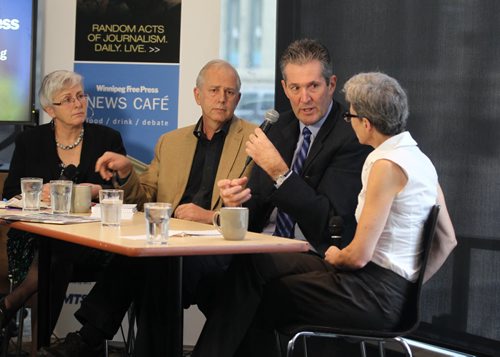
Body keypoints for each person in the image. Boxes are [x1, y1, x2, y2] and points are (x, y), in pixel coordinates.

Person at [192, 72, 457, 357]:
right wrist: (410, 292)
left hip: (370, 293)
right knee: (255, 264)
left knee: (260, 296)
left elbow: (356, 256)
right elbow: (447, 241)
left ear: (366, 123)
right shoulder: (421, 160)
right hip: (384, 291)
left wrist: (335, 255)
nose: (349, 121)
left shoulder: (385, 165)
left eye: (350, 116)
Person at [37, 59, 256, 357]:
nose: (221, 98)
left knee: (156, 266)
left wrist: (209, 217)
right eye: (214, 90)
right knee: (140, 256)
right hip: (170, 240)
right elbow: (145, 200)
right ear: (197, 95)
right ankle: (91, 339)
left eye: (229, 92)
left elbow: (257, 206)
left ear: (238, 99)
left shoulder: (254, 141)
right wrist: (128, 174)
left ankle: (87, 338)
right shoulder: (171, 142)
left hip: (219, 247)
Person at [0, 70, 126, 346]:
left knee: (56, 254)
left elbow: (124, 194)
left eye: (81, 96)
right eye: (67, 99)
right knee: (54, 253)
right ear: (49, 109)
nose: (78, 103)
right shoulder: (29, 141)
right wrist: (38, 194)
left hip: (94, 242)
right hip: (35, 238)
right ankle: (42, 348)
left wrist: (98, 191)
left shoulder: (107, 140)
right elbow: (10, 193)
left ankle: (10, 306)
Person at [219, 38, 371, 256]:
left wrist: (280, 173)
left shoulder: (352, 135)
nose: (304, 98)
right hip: (262, 245)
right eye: (295, 88)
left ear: (331, 84)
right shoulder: (276, 127)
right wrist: (235, 205)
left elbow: (331, 224)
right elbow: (256, 212)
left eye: (313, 86)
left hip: (313, 253)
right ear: (284, 88)